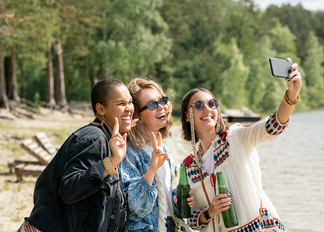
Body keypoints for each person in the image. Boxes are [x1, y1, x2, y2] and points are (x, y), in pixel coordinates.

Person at [180, 59, 302, 231]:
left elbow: (272, 127)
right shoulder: (188, 166)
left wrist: (291, 96)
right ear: (187, 115)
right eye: (199, 105)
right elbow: (191, 218)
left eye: (212, 104)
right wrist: (211, 211)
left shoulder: (235, 137)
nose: (207, 109)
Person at [17, 78, 135, 232]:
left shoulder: (107, 139)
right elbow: (69, 188)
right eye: (121, 104)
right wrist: (112, 162)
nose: (129, 109)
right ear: (101, 109)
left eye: (130, 102)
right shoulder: (94, 139)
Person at [120, 78, 193, 232]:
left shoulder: (165, 150)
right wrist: (151, 170)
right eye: (153, 105)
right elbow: (136, 207)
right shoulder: (128, 152)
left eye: (163, 100)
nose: (162, 107)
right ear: (137, 115)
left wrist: (177, 198)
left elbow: (162, 201)